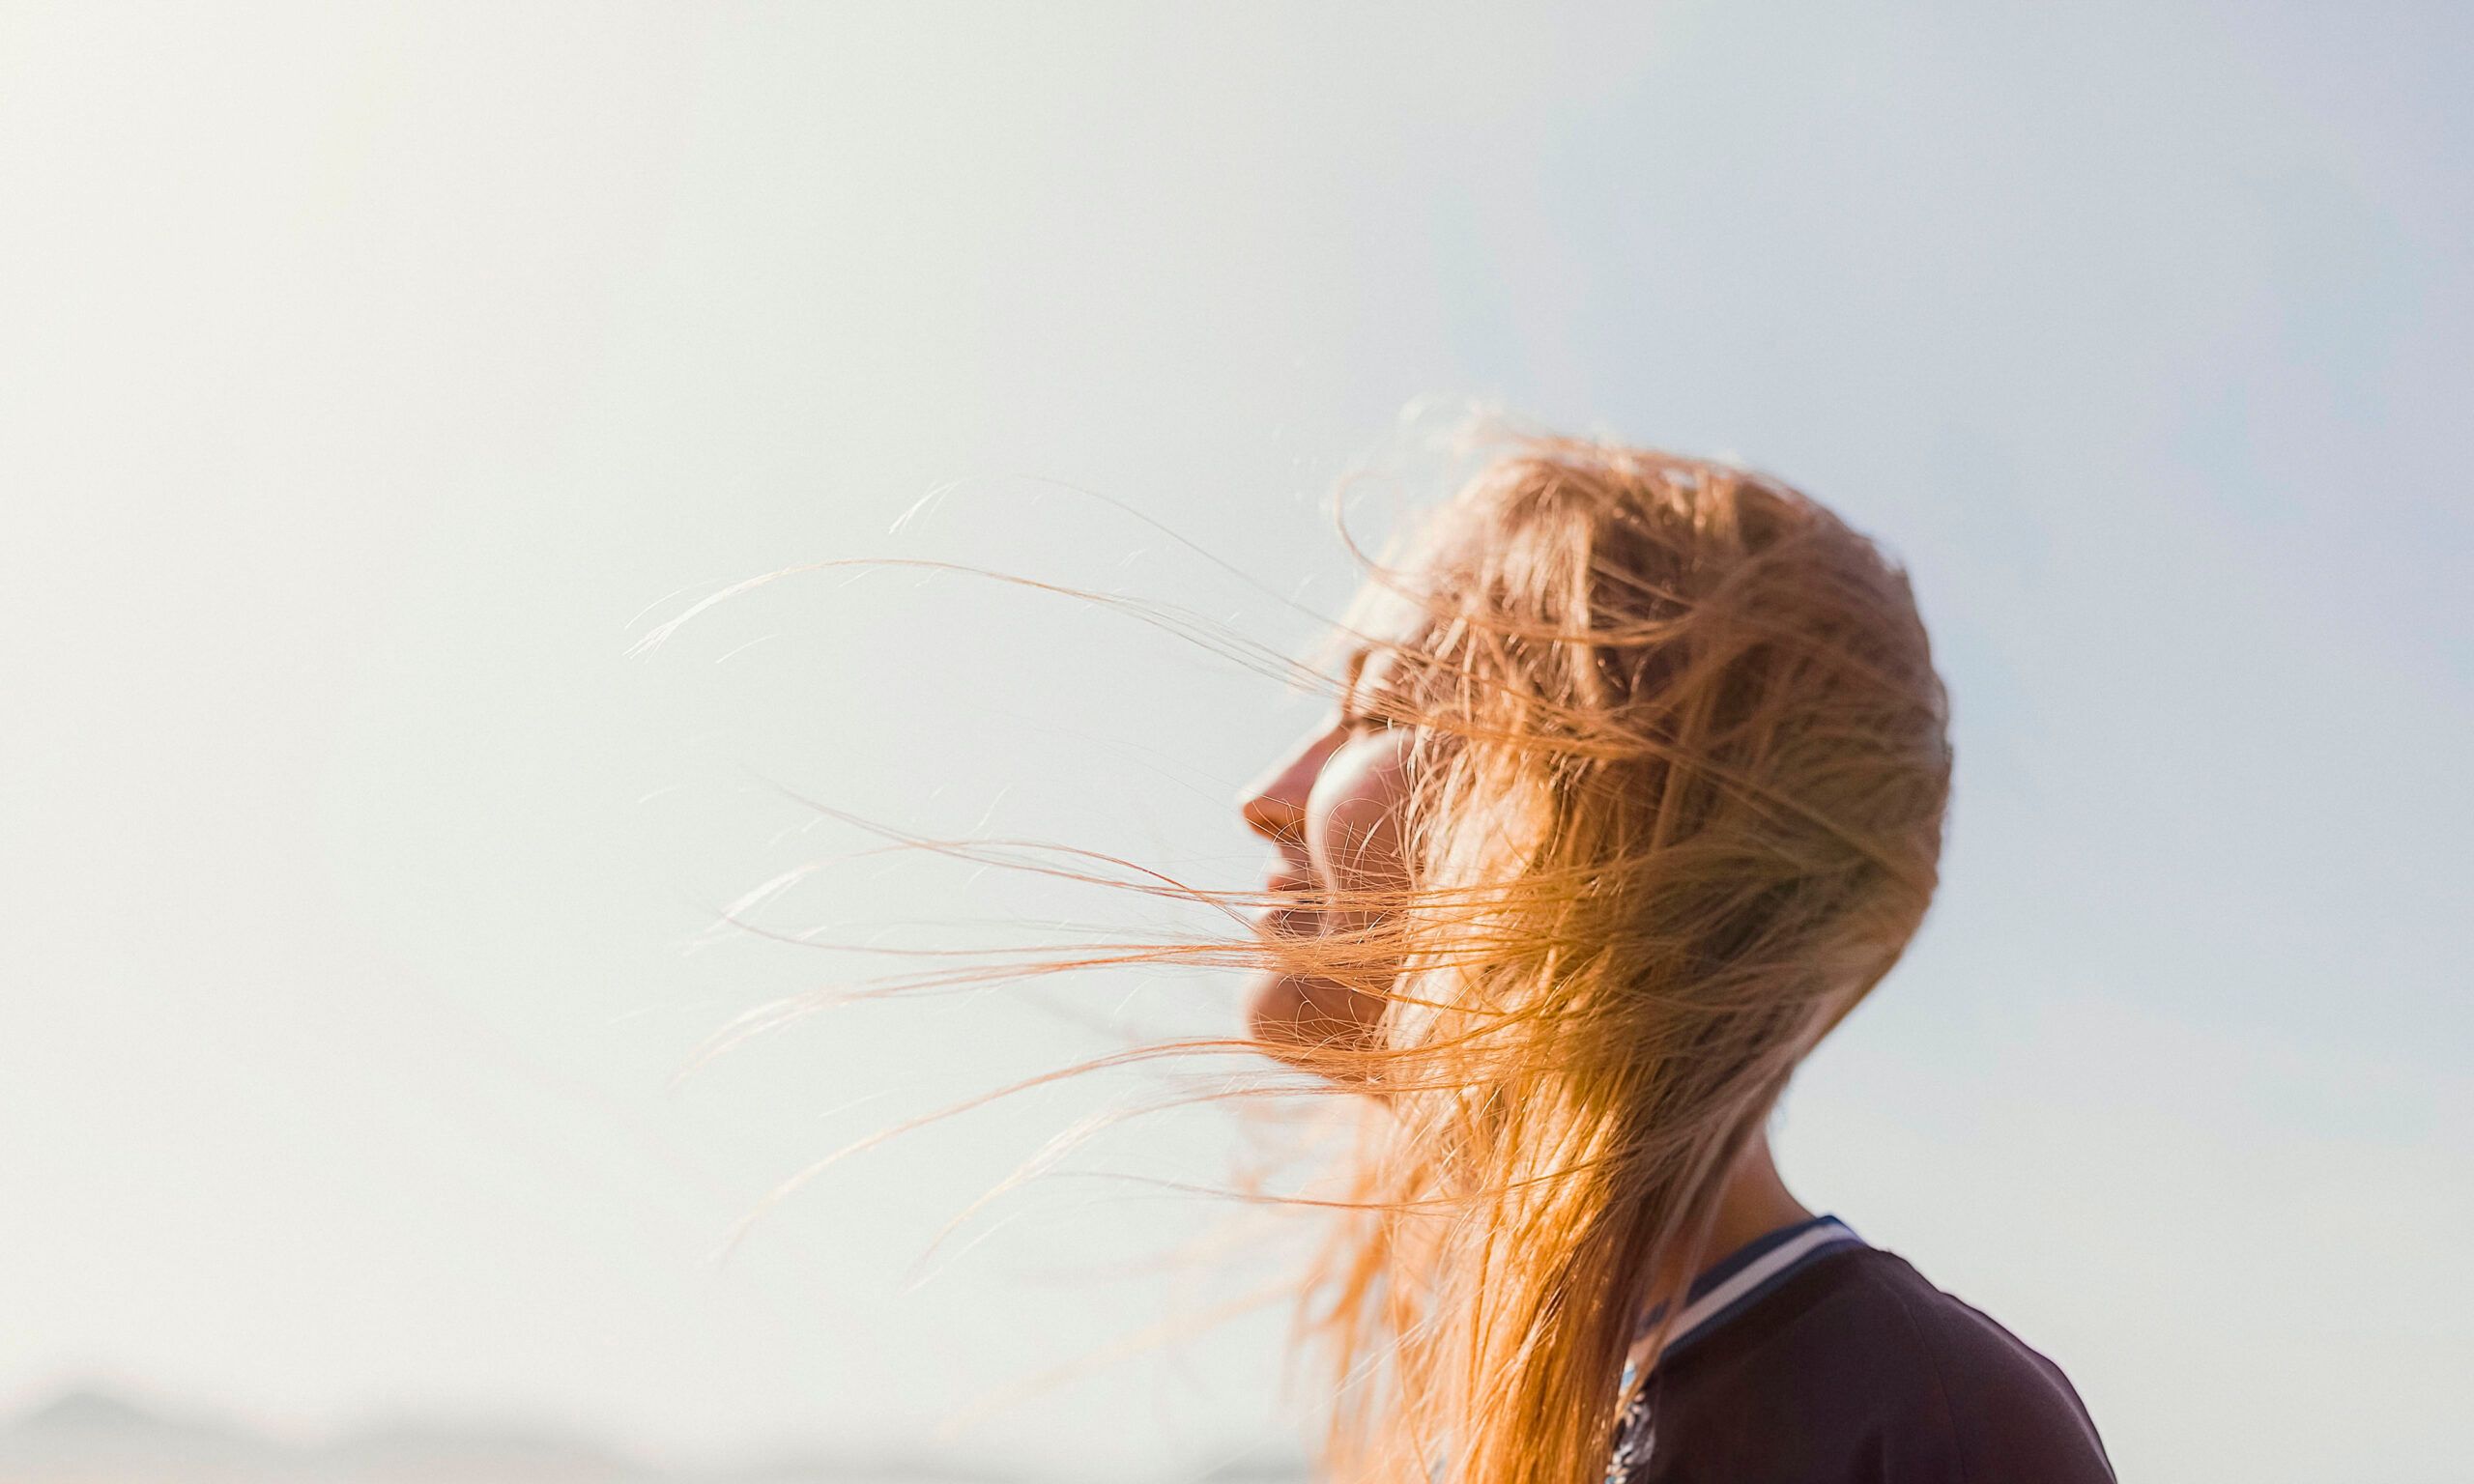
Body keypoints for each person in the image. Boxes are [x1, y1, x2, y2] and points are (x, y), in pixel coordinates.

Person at [1228, 435, 2114, 1483]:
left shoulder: (1929, 1430)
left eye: (1384, 709)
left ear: (1620, 822)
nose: (1268, 796)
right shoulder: (1515, 1415)